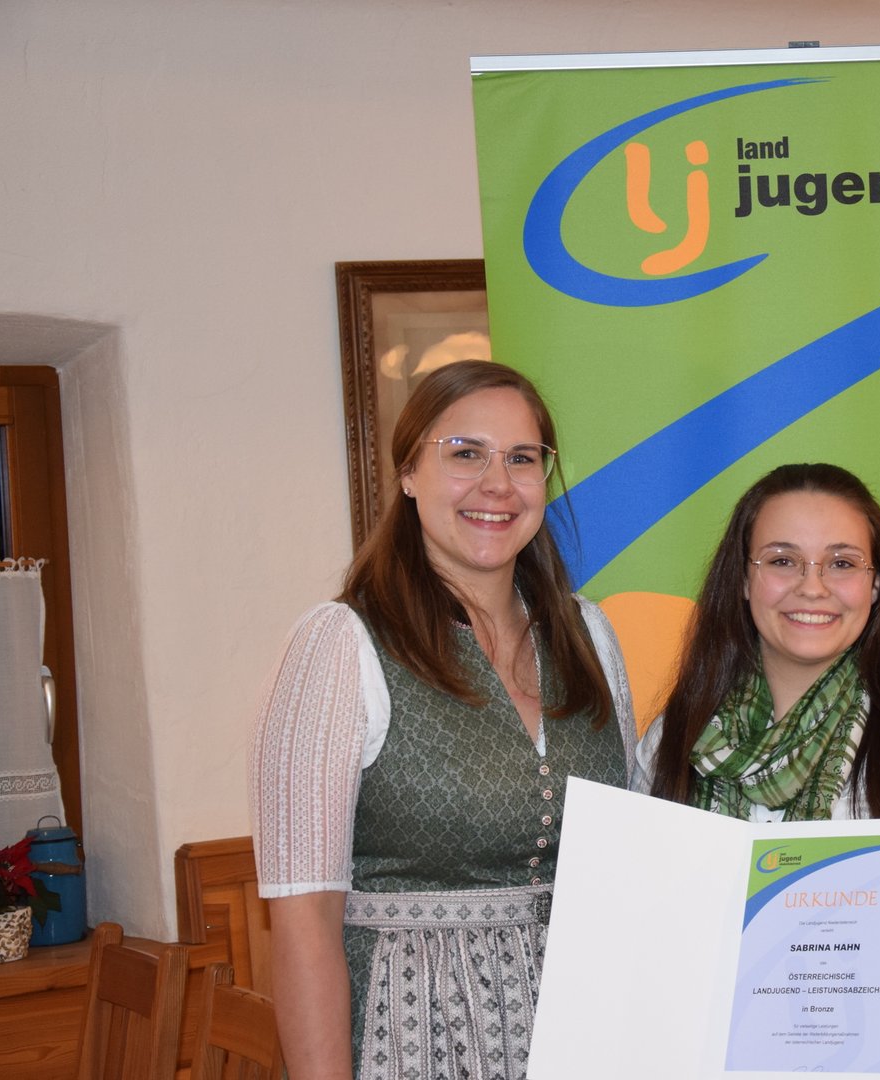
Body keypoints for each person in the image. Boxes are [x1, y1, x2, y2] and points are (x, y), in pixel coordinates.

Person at [250, 360, 636, 1080]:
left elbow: (630, 863)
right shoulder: (340, 645)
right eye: (465, 454)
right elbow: (304, 925)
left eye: (522, 458)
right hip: (415, 1032)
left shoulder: (589, 636)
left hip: (585, 1030)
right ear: (407, 472)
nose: (498, 484)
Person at [642, 463, 880, 1080]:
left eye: (842, 562)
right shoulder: (673, 741)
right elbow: (647, 943)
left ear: (877, 584)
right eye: (782, 560)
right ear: (743, 579)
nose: (812, 587)